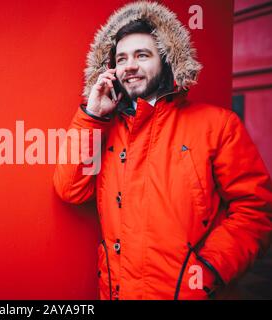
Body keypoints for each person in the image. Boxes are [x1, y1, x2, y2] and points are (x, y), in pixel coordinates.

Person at [53, 1, 272, 300]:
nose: (130, 65)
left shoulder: (218, 125)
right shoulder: (106, 128)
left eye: (142, 55)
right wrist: (93, 116)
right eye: (121, 58)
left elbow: (255, 210)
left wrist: (208, 270)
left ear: (167, 61)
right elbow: (70, 190)